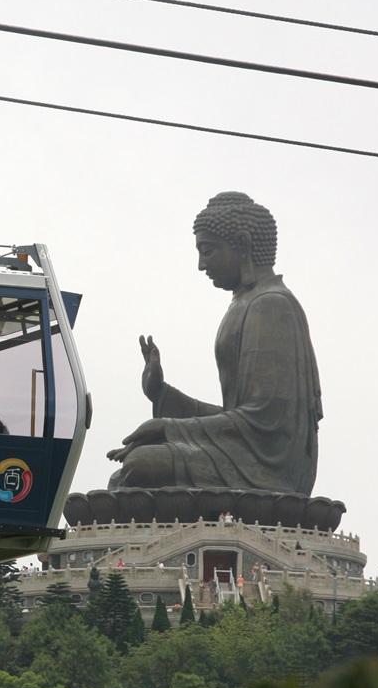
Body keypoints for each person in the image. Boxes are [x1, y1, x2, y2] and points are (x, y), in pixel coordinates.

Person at [106, 191, 322, 495]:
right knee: (125, 476)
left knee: (139, 466)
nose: (201, 265)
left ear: (243, 245)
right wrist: (162, 394)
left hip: (269, 470)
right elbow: (239, 416)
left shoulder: (271, 306)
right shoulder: (244, 303)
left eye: (208, 251)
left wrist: (169, 427)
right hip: (241, 453)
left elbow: (265, 426)